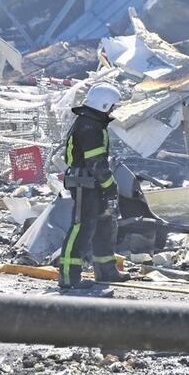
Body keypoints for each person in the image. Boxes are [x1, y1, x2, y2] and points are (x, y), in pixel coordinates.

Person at [58, 83, 131, 289]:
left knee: (104, 224)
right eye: (112, 107)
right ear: (104, 105)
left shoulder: (92, 123)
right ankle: (68, 277)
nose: (112, 111)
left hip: (92, 183)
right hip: (85, 184)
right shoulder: (90, 126)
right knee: (82, 227)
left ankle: (106, 271)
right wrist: (110, 185)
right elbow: (96, 162)